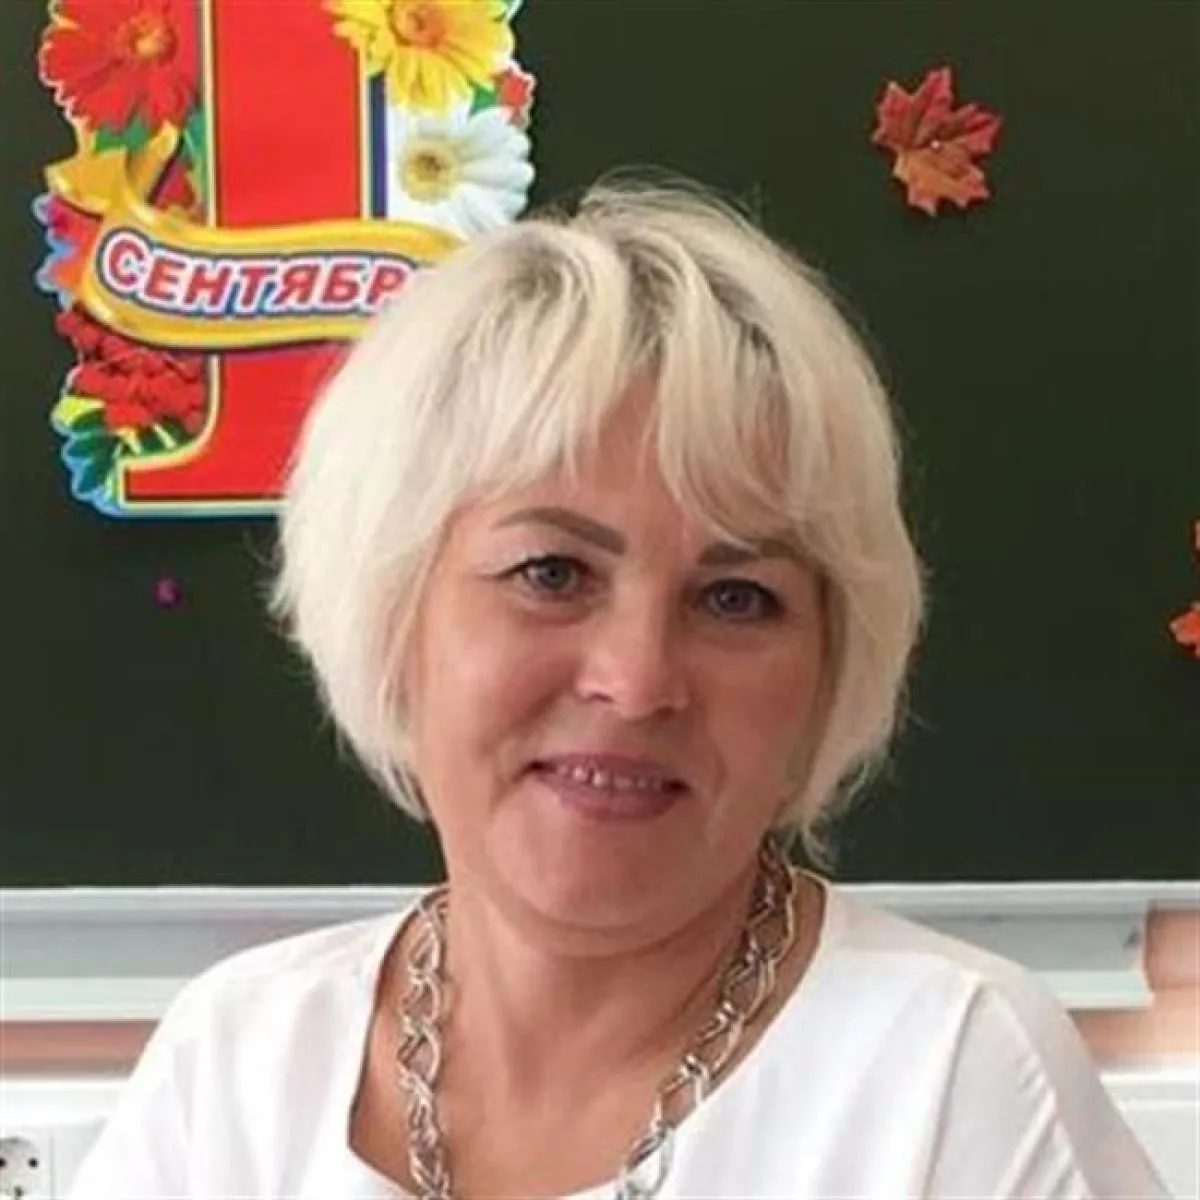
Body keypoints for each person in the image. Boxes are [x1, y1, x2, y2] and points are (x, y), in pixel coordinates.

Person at [67, 181, 1169, 1199]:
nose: (637, 681)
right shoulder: (237, 1063)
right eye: (551, 574)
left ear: (830, 664)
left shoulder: (954, 1073)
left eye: (736, 598)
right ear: (394, 611)